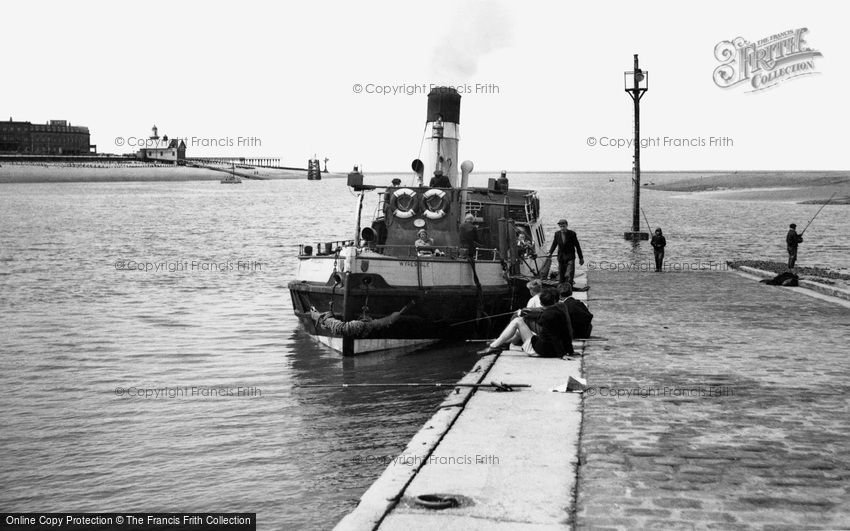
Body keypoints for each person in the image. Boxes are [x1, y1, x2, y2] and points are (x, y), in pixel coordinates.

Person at [477, 289, 573, 357]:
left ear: (541, 302)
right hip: (552, 349)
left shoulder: (547, 315)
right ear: (555, 301)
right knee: (520, 329)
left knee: (517, 321)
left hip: (542, 351)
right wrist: (569, 350)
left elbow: (554, 336)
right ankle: (501, 343)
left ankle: (493, 346)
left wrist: (562, 355)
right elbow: (566, 333)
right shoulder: (560, 312)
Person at [548, 219, 584, 287]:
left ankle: (570, 288)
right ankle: (561, 290)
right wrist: (550, 252)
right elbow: (554, 244)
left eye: (563, 226)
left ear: (567, 225)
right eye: (560, 226)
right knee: (562, 275)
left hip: (570, 257)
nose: (562, 228)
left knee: (569, 274)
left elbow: (577, 246)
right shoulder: (557, 234)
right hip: (561, 257)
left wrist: (581, 258)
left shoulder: (572, 234)